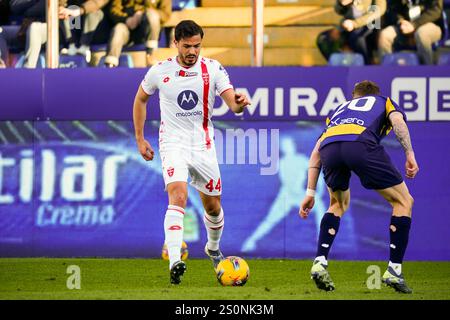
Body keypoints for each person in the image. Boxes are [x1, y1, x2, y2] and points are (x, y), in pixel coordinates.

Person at [132, 20, 250, 285]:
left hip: (203, 146)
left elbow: (232, 103)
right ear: (175, 43)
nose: (192, 51)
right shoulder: (160, 71)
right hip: (172, 144)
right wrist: (140, 139)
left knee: (213, 206)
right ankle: (175, 260)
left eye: (197, 46)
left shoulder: (213, 68)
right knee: (178, 194)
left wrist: (240, 104)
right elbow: (140, 99)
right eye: (187, 46)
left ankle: (212, 247)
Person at [299, 80, 419, 294]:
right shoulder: (384, 101)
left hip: (330, 149)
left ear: (354, 96)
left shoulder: (338, 110)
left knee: (336, 203)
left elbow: (316, 151)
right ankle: (394, 270)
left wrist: (310, 192)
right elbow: (398, 122)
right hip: (361, 144)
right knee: (403, 201)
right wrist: (409, 154)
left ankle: (319, 262)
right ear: (374, 94)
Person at [105, 0, 172, 67]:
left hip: (147, 30)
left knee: (152, 15)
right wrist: (126, 19)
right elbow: (113, 9)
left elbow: (166, 14)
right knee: (118, 28)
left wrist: (142, 13)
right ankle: (110, 65)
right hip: (127, 27)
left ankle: (151, 56)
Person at [317, 0, 386, 64]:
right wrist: (342, 4)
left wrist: (355, 23)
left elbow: (379, 10)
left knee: (357, 37)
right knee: (324, 39)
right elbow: (339, 11)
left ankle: (367, 67)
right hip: (348, 25)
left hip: (370, 25)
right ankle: (342, 66)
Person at [378, 0, 443, 65]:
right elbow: (391, 10)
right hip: (404, 25)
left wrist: (414, 25)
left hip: (429, 23)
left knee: (421, 34)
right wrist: (400, 20)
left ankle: (427, 70)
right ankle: (387, 71)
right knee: (385, 35)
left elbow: (436, 10)